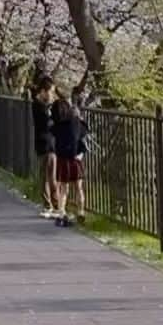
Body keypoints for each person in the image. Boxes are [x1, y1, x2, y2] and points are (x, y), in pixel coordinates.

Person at [52, 94, 88, 226]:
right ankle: (81, 211)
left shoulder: (59, 127)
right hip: (76, 159)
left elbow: (53, 132)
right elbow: (83, 142)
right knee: (79, 187)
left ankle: (61, 212)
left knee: (63, 188)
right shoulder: (81, 127)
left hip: (62, 160)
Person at [31, 75, 59, 218]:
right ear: (43, 91)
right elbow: (47, 122)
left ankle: (54, 205)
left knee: (51, 176)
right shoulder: (38, 105)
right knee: (46, 177)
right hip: (44, 143)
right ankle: (50, 205)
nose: (52, 95)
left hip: (51, 144)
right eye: (50, 91)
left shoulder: (47, 105)